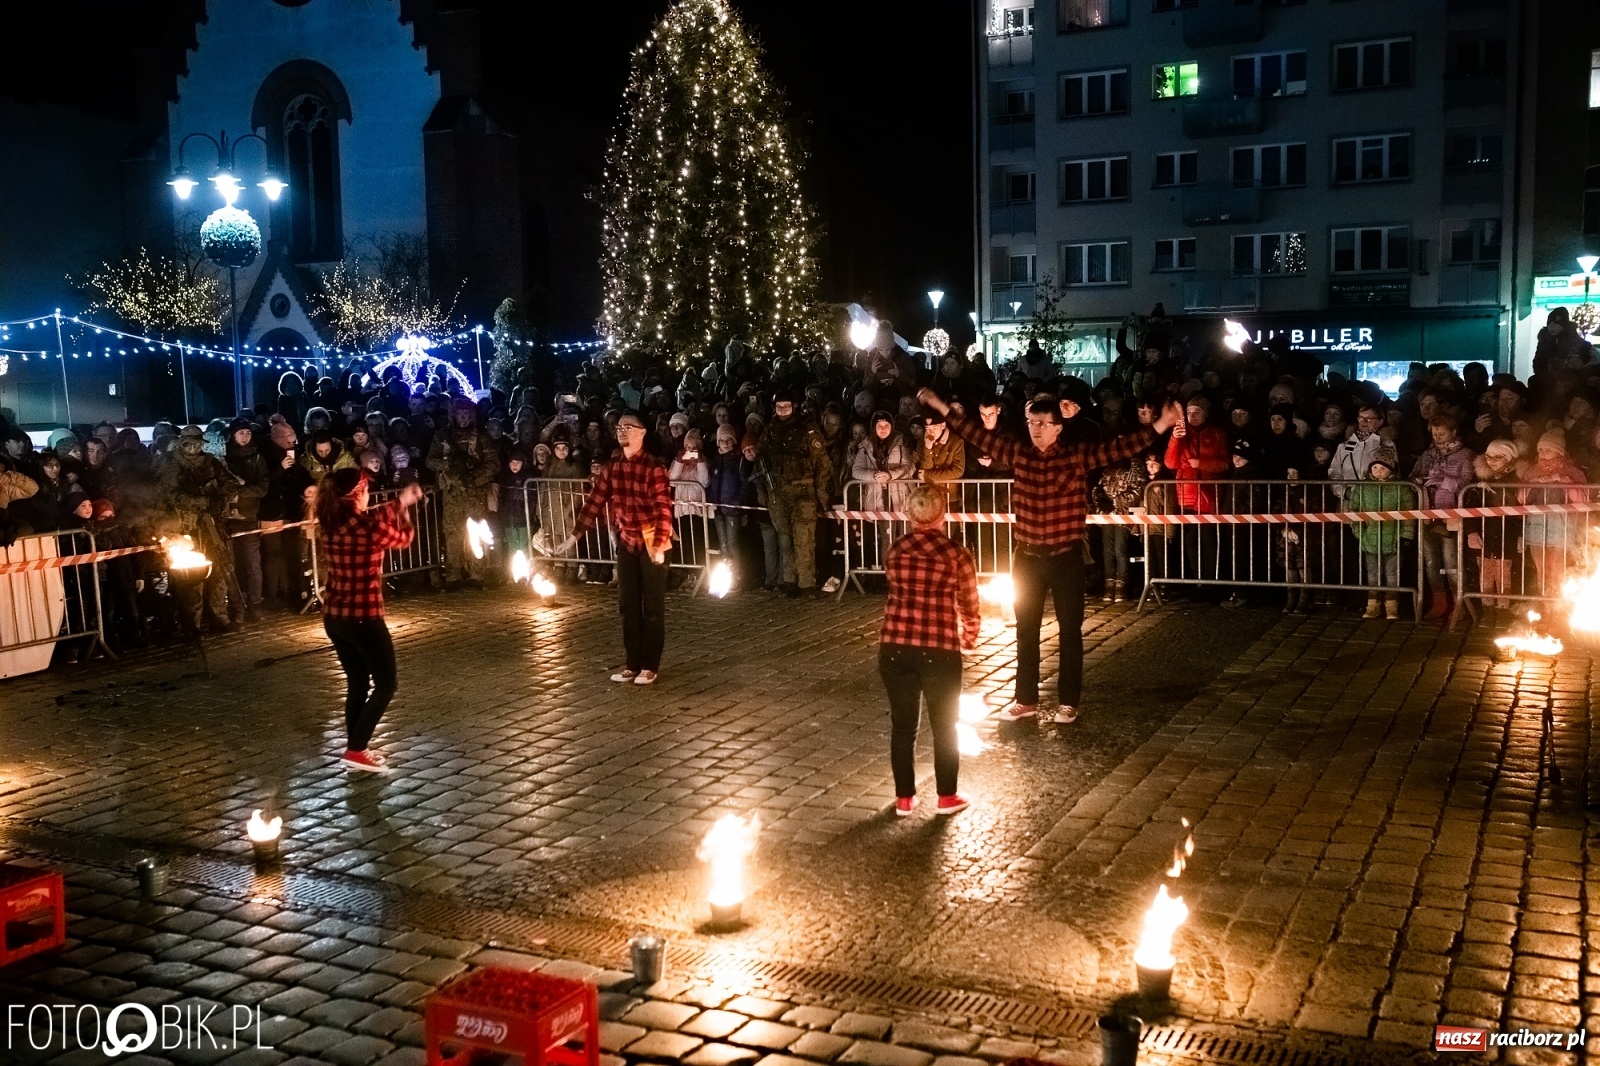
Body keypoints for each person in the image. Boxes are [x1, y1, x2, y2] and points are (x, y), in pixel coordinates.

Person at [919, 386, 1183, 724]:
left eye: (1043, 424)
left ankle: (1068, 700)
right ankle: (1025, 698)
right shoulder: (1019, 454)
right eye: (1032, 422)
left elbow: (1121, 446)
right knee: (1025, 630)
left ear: (1058, 428)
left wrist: (1162, 423)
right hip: (1028, 555)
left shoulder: (1075, 457)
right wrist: (941, 404)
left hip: (1065, 556)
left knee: (1070, 631)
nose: (1035, 429)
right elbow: (975, 434)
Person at [879, 485, 980, 817]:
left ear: (910, 514)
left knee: (903, 725)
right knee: (944, 725)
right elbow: (968, 603)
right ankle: (946, 796)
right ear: (942, 514)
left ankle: (904, 798)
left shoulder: (895, 550)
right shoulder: (956, 554)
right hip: (939, 648)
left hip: (895, 646)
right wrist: (969, 636)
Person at [316, 467, 424, 773]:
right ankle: (356, 749)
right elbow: (403, 538)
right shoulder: (369, 527)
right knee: (386, 683)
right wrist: (403, 513)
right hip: (364, 617)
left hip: (335, 617)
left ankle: (356, 750)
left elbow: (372, 516)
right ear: (356, 494)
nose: (367, 494)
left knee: (358, 683)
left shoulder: (330, 520)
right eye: (364, 489)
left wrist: (398, 502)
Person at [555, 411, 675, 684]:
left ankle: (650, 665)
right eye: (619, 427)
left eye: (628, 427)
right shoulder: (613, 467)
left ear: (642, 432)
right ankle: (632, 663)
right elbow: (595, 502)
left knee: (653, 608)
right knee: (628, 604)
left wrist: (657, 546)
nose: (622, 431)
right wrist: (574, 536)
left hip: (653, 539)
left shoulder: (654, 468)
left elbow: (663, 509)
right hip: (627, 539)